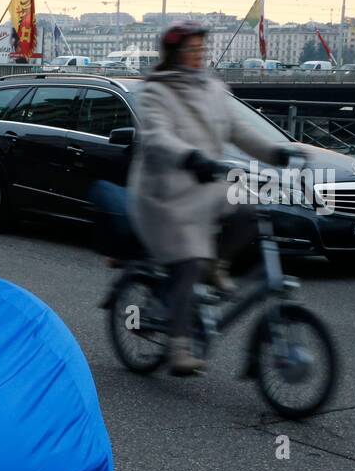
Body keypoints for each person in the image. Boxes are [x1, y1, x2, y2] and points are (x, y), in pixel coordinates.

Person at [126, 21, 295, 376]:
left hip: (205, 185)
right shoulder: (156, 92)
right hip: (164, 194)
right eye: (192, 50)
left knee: (250, 214)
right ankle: (178, 347)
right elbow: (157, 138)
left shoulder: (213, 89)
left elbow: (239, 130)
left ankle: (216, 267)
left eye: (202, 50)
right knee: (188, 259)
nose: (199, 56)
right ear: (174, 54)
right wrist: (191, 157)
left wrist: (277, 152)